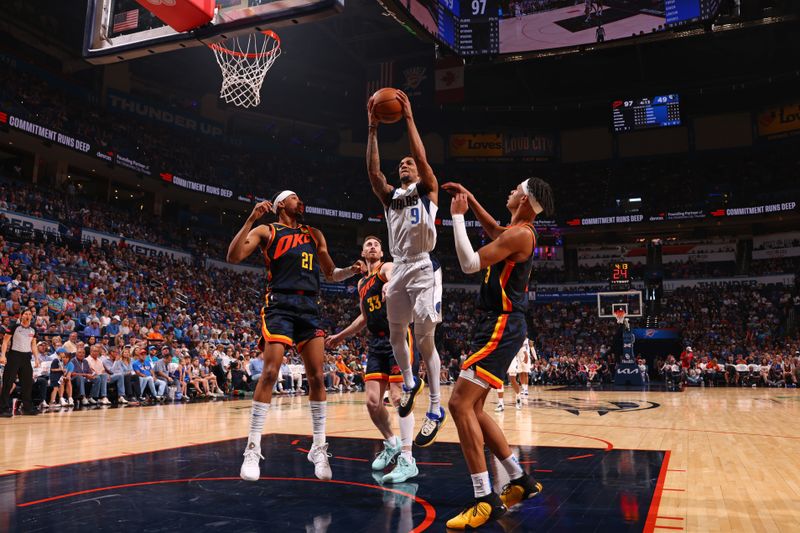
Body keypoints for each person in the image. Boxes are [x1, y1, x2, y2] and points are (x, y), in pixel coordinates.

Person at [441, 178, 554, 529]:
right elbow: (493, 229)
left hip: (501, 325)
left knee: (459, 404)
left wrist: (458, 217)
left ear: (523, 198)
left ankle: (484, 499)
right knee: (474, 407)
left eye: (513, 188)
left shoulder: (521, 235)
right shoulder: (517, 230)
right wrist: (472, 198)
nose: (508, 192)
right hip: (498, 324)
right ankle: (520, 480)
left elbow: (469, 264)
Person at [227, 193, 362, 482]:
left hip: (309, 306)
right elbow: (234, 256)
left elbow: (330, 272)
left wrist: (350, 270)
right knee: (270, 372)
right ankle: (252, 446)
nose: (301, 203)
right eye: (296, 199)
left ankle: (318, 446)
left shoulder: (314, 234)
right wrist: (251, 218)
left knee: (316, 375)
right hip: (280, 305)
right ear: (280, 205)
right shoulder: (268, 230)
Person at [366, 90, 446, 447]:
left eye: (409, 163)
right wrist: (372, 130)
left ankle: (436, 407)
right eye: (402, 163)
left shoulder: (428, 189)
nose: (405, 165)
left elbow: (423, 158)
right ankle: (411, 382)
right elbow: (372, 171)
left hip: (423, 266)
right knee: (397, 331)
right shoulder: (390, 197)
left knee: (426, 338)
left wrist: (410, 118)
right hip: (398, 267)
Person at [326, 236, 420, 483]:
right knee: (371, 402)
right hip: (376, 343)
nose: (372, 246)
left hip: (396, 337)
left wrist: (394, 285)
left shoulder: (385, 269)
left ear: (381, 252)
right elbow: (364, 317)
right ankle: (392, 442)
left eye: (376, 244)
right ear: (362, 252)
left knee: (399, 397)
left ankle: (408, 459)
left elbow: (396, 273)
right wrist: (340, 336)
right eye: (368, 244)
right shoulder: (361, 283)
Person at [0, 309, 41, 416]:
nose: (28, 316)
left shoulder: (33, 329)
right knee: (8, 382)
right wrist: (3, 355)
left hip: (26, 357)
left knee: (27, 383)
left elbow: (33, 345)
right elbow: (5, 341)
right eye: (26, 314)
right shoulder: (14, 327)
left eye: (30, 314)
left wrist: (36, 358)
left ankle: (27, 408)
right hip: (14, 356)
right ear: (21, 316)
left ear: (32, 317)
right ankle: (3, 408)